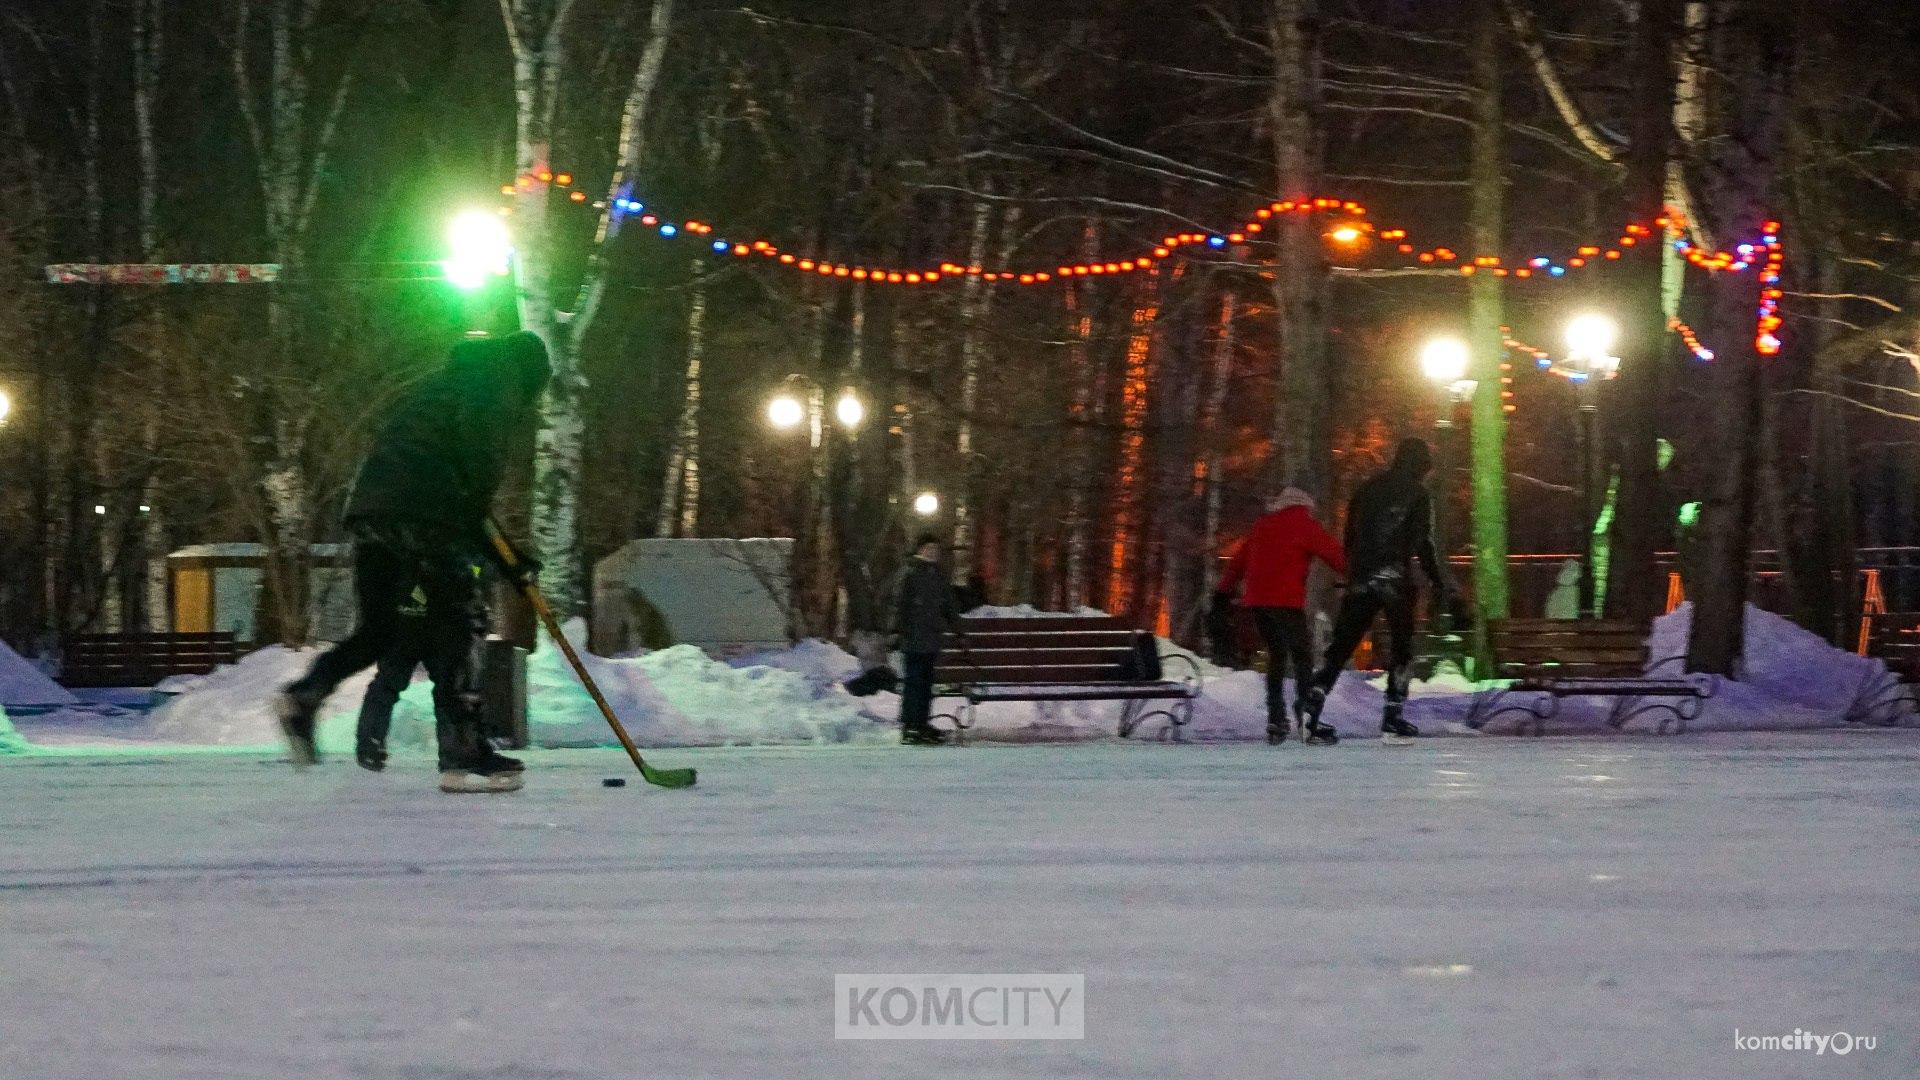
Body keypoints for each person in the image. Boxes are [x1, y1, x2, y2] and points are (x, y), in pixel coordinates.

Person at [277, 331, 550, 793]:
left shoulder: (447, 382)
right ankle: (463, 753)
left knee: (380, 630)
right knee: (463, 622)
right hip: (424, 511)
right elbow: (473, 490)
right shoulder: (497, 383)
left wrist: (511, 560)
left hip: (372, 510)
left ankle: (307, 694)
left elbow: (459, 492)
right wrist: (509, 562)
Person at [1300, 437, 1451, 742]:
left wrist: (1354, 570)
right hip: (1395, 578)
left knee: (1343, 644)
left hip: (1362, 576)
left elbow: (1351, 534)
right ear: (1420, 465)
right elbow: (1422, 541)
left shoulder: (1367, 490)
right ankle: (1393, 714)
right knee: (1401, 646)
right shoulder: (1418, 495)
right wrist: (1436, 579)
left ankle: (1315, 697)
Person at [1214, 487, 1346, 744]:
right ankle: (1306, 715)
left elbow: (1238, 561)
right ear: (1305, 506)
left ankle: (1276, 718)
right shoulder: (1305, 524)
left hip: (1256, 601)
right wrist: (1358, 576)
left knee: (1277, 654)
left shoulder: (1262, 525)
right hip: (1285, 601)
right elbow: (1335, 555)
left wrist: (1222, 593)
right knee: (1302, 655)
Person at [891, 534, 958, 746]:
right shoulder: (911, 572)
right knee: (914, 683)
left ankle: (921, 722)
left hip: (930, 637)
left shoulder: (937, 574)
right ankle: (910, 725)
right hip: (913, 637)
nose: (932, 552)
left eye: (935, 549)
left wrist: (957, 627)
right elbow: (898, 604)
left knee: (926, 683)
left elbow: (948, 603)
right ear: (920, 550)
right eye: (929, 548)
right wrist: (896, 631)